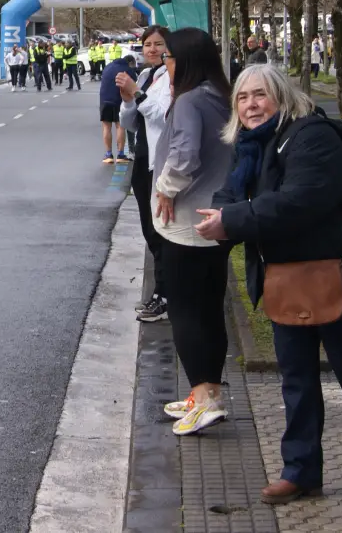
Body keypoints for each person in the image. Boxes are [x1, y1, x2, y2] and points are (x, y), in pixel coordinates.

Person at [196, 64, 342, 503]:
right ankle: (300, 473)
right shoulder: (249, 145)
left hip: (335, 275)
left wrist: (232, 220)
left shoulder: (311, 137)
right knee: (296, 381)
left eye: (260, 95)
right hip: (283, 278)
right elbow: (231, 194)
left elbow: (300, 200)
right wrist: (219, 217)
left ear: (282, 96)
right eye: (243, 97)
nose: (251, 105)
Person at [151, 27, 233, 436]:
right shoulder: (221, 96)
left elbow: (184, 155)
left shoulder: (189, 101)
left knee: (185, 312)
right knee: (210, 309)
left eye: (168, 56)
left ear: (184, 61)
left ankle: (204, 400)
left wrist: (165, 189)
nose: (163, 63)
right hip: (217, 219)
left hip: (185, 223)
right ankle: (208, 393)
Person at [119, 26, 171, 322]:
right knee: (149, 229)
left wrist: (137, 94)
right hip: (140, 157)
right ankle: (162, 292)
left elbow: (164, 117)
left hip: (159, 161)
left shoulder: (172, 78)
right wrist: (128, 99)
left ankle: (165, 295)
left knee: (160, 229)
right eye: (147, 44)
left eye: (158, 44)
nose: (151, 49)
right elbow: (131, 122)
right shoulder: (146, 75)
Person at [100, 51, 134, 163]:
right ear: (130, 63)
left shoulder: (107, 67)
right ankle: (120, 155)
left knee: (106, 127)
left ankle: (108, 155)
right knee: (120, 126)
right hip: (119, 101)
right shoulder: (128, 69)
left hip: (105, 100)